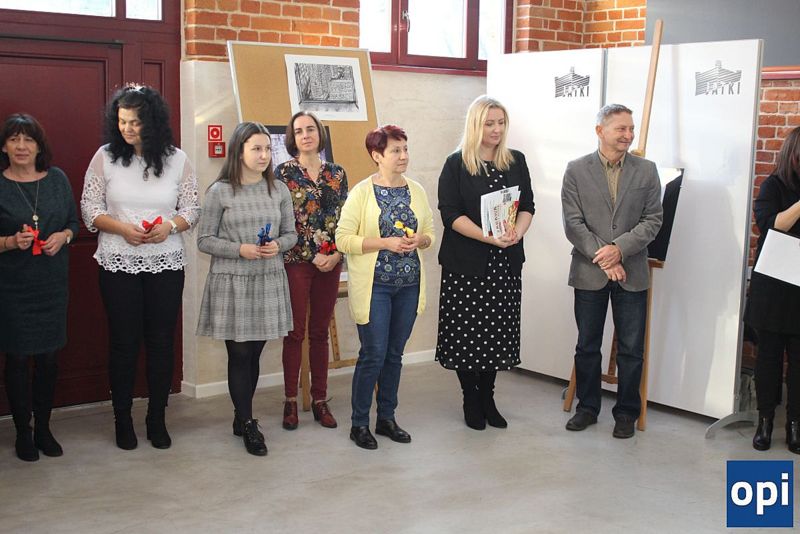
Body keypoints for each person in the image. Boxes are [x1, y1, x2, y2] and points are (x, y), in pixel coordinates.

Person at [80, 84, 200, 451]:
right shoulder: (104, 157)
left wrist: (170, 226)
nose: (127, 129)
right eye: (122, 122)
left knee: (162, 342)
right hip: (118, 262)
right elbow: (89, 208)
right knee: (124, 342)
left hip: (166, 262)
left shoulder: (178, 159)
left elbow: (192, 209)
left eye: (134, 122)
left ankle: (157, 418)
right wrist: (121, 229)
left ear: (153, 122)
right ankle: (122, 420)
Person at [561, 103, 662, 439]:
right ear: (600, 131)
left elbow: (653, 220)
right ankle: (587, 408)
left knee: (631, 349)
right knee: (587, 345)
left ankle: (626, 413)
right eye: (621, 128)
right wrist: (605, 257)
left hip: (632, 272)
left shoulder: (646, 170)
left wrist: (619, 249)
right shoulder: (576, 170)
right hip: (589, 271)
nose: (628, 135)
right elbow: (573, 223)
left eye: (631, 128)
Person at [197, 122, 296, 456]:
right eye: (256, 149)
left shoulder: (278, 189)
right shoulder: (220, 191)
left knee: (253, 353)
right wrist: (240, 249)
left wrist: (278, 245)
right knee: (239, 353)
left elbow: (291, 234)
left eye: (267, 149)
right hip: (232, 283)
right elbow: (204, 240)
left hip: (268, 278)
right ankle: (249, 423)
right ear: (239, 152)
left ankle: (242, 416)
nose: (264, 155)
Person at [435, 95, 535, 431]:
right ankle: (470, 398)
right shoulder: (456, 164)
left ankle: (488, 397)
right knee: (468, 333)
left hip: (505, 263)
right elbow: (450, 214)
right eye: (489, 123)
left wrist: (517, 233)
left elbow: (527, 206)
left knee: (496, 332)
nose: (496, 129)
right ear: (475, 125)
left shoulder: (516, 161)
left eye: (501, 123)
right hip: (466, 263)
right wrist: (488, 237)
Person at [336, 125, 435, 450]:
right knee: (373, 355)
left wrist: (420, 240)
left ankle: (387, 418)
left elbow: (430, 233)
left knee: (394, 355)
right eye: (395, 150)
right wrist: (385, 243)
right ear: (377, 155)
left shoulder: (416, 190)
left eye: (405, 149)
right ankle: (359, 424)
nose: (403, 156)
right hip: (375, 287)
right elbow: (343, 239)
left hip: (409, 286)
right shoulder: (361, 193)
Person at [0, 113, 79, 461]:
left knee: (48, 359)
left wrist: (64, 236)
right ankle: (23, 432)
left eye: (28, 139)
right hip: (12, 288)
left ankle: (44, 428)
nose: (21, 146)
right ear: (4, 146)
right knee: (17, 358)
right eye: (14, 139)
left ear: (38, 146)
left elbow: (73, 223)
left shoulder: (57, 179)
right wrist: (8, 242)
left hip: (51, 285)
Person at [276, 111, 347, 430]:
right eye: (299, 131)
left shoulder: (337, 173)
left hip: (331, 262)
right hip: (296, 261)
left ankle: (320, 399)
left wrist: (336, 253)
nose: (305, 135)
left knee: (319, 332)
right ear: (292, 137)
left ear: (320, 134)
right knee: (294, 333)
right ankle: (291, 400)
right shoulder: (283, 173)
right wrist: (311, 253)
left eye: (311, 129)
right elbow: (282, 220)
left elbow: (345, 218)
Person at [745, 126, 800, 454]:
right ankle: (765, 420)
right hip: (774, 285)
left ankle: (794, 424)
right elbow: (772, 224)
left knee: (799, 361)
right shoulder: (774, 185)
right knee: (767, 358)